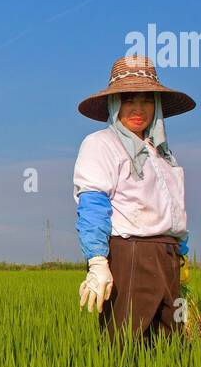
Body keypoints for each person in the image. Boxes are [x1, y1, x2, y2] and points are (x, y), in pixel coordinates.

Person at [73, 55, 194, 341]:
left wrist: (182, 253)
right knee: (126, 344)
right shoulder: (101, 144)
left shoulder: (160, 153)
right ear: (115, 105)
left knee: (172, 345)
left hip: (167, 254)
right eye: (129, 99)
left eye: (147, 100)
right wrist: (97, 262)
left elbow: (172, 208)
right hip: (132, 253)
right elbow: (93, 204)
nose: (138, 109)